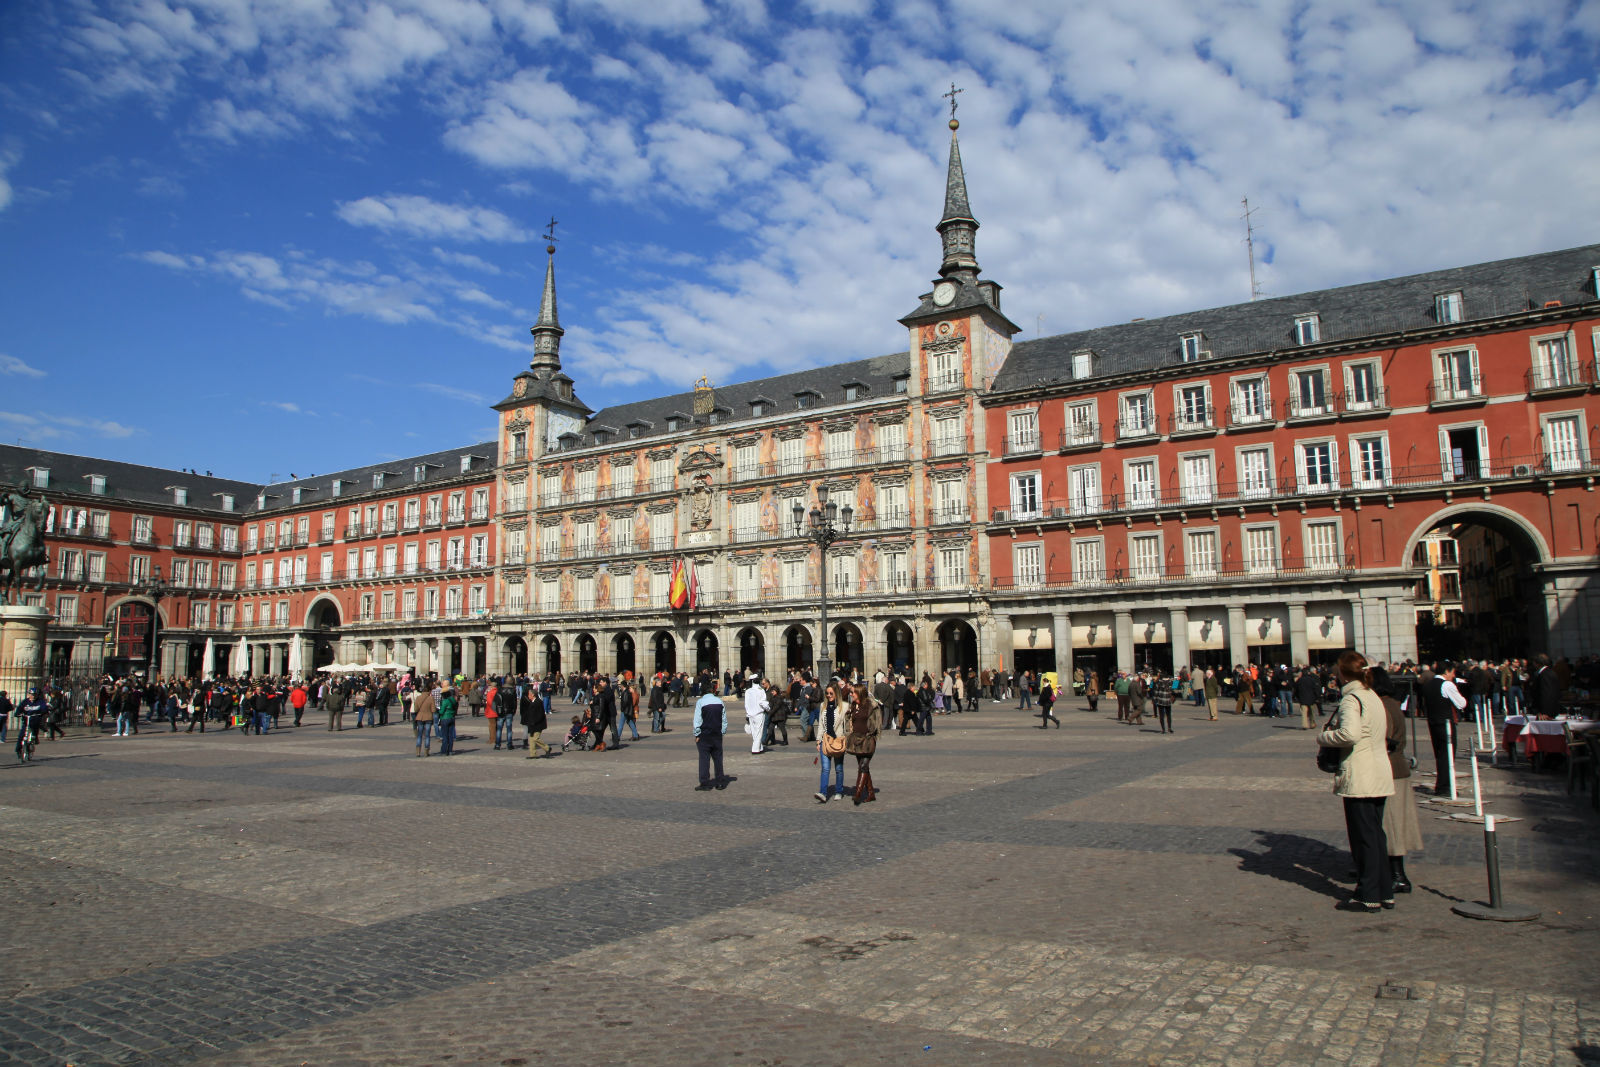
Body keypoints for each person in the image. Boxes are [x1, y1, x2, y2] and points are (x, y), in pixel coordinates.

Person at [1319, 651, 1395, 913]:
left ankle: (1367, 894)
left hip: (1361, 774)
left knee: (1363, 837)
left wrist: (1324, 738)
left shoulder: (1351, 699)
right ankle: (1385, 891)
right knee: (1376, 834)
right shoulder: (1373, 696)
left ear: (1342, 673)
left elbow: (1349, 734)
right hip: (1379, 770)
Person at [1372, 667, 1421, 894]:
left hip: (1389, 769)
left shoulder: (1382, 706)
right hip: (1396, 768)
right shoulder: (1392, 703)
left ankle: (1398, 876)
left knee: (1390, 824)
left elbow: (1386, 740)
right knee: (1394, 823)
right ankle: (1391, 871)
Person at [1419, 663, 1467, 795]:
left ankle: (1441, 784)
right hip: (1445, 723)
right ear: (1447, 671)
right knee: (1448, 755)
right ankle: (1445, 786)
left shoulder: (1428, 684)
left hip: (1433, 722)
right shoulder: (1447, 685)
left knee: (1439, 754)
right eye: (1452, 672)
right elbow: (1461, 703)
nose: (1453, 676)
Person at [814, 683, 849, 802]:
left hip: (838, 740)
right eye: (827, 693)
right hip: (825, 740)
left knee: (839, 768)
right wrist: (818, 740)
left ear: (837, 694)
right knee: (825, 768)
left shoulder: (844, 706)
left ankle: (839, 791)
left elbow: (848, 724)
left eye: (831, 693)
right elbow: (820, 725)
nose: (829, 696)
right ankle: (823, 792)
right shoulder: (823, 705)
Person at [846, 682, 880, 804]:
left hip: (868, 740)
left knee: (863, 766)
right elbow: (849, 721)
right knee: (863, 767)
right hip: (857, 740)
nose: (851, 695)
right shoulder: (853, 705)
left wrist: (870, 733)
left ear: (859, 693)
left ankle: (858, 793)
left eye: (853, 692)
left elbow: (876, 723)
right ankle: (871, 793)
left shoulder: (870, 706)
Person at [693, 682, 729, 791]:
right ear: (712, 691)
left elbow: (697, 720)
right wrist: (722, 731)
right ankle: (720, 782)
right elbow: (724, 720)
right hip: (717, 734)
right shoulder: (720, 701)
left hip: (704, 734)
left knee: (704, 759)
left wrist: (697, 733)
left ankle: (705, 783)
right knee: (718, 758)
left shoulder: (701, 702)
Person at [520, 683, 550, 758]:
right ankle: (533, 754)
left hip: (537, 724)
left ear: (533, 695)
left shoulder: (538, 702)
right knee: (531, 740)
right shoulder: (533, 702)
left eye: (529, 694)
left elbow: (540, 715)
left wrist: (533, 722)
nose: (528, 696)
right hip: (532, 724)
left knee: (535, 739)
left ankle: (547, 748)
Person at [588, 677, 616, 752]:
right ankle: (598, 744)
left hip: (609, 713)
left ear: (605, 682)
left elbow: (602, 705)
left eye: (601, 682)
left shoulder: (607, 691)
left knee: (612, 728)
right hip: (604, 714)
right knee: (599, 730)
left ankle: (613, 743)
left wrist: (599, 717)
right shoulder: (599, 694)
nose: (600, 683)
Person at [744, 676, 769, 755]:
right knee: (758, 732)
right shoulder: (761, 690)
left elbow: (746, 704)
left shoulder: (748, 691)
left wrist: (747, 713)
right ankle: (755, 749)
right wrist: (768, 708)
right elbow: (762, 702)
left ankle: (760, 747)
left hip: (751, 714)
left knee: (754, 732)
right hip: (759, 714)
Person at [493, 678, 518, 750]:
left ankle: (497, 745)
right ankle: (509, 745)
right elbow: (515, 703)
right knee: (509, 729)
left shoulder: (500, 690)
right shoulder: (513, 691)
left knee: (499, 729)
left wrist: (496, 711)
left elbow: (495, 701)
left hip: (500, 712)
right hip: (509, 711)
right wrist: (514, 711)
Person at [412, 683, 436, 756]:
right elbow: (433, 710)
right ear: (429, 691)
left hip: (420, 717)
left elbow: (415, 709)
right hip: (428, 717)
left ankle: (418, 752)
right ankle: (426, 751)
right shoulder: (430, 698)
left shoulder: (418, 698)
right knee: (427, 735)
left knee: (419, 735)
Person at [436, 686, 458, 755]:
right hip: (452, 718)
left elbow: (441, 712)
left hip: (445, 718)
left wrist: (438, 711)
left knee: (445, 735)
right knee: (450, 735)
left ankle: (444, 751)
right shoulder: (453, 699)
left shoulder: (445, 701)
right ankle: (450, 750)